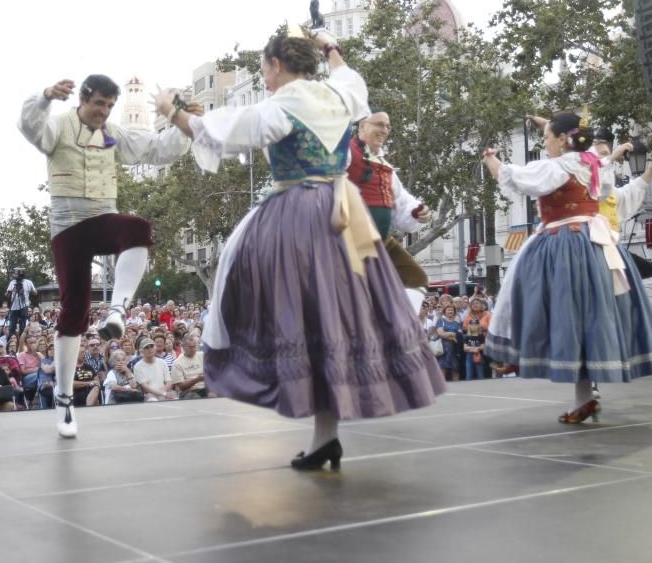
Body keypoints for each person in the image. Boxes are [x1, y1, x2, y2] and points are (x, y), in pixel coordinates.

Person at [160, 26, 445, 470]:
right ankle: (324, 437)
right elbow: (353, 79)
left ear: (275, 65)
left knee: (275, 297)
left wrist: (171, 111)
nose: (266, 79)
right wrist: (330, 46)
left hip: (300, 213)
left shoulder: (280, 105)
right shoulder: (337, 96)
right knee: (330, 319)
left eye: (265, 70)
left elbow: (218, 133)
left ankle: (306, 419)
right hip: (343, 212)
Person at [19, 73, 192, 438]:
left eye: (110, 106)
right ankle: (64, 399)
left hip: (102, 217)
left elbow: (159, 149)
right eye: (99, 104)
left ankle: (117, 309)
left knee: (137, 228)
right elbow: (29, 127)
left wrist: (181, 122)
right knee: (74, 310)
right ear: (83, 99)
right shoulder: (59, 127)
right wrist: (45, 96)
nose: (104, 112)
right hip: (67, 226)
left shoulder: (114, 133)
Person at [482, 113, 652, 422]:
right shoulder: (594, 164)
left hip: (564, 243)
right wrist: (550, 125)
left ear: (561, 140)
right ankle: (583, 397)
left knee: (546, 304)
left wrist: (491, 161)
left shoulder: (556, 167)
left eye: (547, 139)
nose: (544, 146)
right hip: (598, 245)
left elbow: (515, 178)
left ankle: (520, 352)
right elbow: (599, 179)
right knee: (589, 317)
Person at [346, 110, 433, 311]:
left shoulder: (385, 166)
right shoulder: (346, 154)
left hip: (380, 240)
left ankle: (400, 328)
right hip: (348, 241)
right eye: (378, 124)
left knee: (415, 279)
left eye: (387, 126)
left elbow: (401, 199)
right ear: (361, 127)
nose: (384, 130)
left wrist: (417, 211)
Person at [5, 268, 37, 337]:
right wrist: (10, 291)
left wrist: (31, 290)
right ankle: (12, 341)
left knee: (22, 326)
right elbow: (6, 295)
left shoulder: (28, 282)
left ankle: (22, 341)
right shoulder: (12, 282)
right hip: (13, 306)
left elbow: (35, 293)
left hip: (24, 305)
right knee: (12, 326)